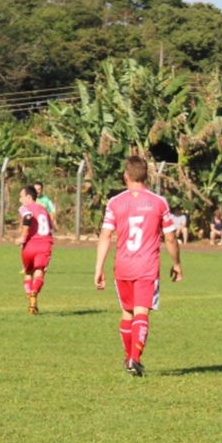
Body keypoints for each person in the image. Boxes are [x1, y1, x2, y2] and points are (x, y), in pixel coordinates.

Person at [95, 155, 182, 377]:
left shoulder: (115, 203)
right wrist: (176, 264)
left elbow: (105, 235)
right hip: (147, 266)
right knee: (142, 312)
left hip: (123, 266)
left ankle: (129, 359)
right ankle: (134, 358)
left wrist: (99, 268)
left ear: (126, 176)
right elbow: (170, 238)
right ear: (147, 176)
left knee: (127, 313)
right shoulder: (158, 202)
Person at [17, 185, 53, 315]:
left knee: (28, 272)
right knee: (39, 271)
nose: (20, 200)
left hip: (30, 244)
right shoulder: (43, 209)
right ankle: (34, 294)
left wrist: (22, 236)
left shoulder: (25, 208)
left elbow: (27, 217)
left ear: (28, 197)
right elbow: (51, 228)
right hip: (45, 244)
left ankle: (30, 296)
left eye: (21, 196)